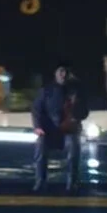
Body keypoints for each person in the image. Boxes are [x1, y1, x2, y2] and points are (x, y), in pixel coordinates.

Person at [30, 63, 88, 192]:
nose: (63, 74)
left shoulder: (76, 90)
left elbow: (84, 112)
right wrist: (38, 127)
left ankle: (72, 183)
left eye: (66, 72)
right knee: (40, 148)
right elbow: (36, 109)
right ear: (55, 73)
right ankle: (40, 182)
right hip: (49, 129)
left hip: (69, 130)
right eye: (61, 71)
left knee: (74, 149)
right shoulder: (46, 90)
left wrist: (77, 108)